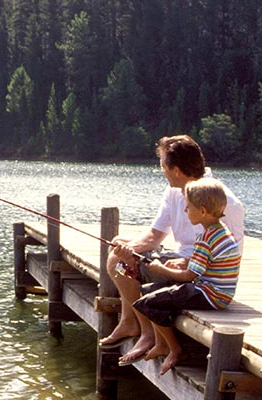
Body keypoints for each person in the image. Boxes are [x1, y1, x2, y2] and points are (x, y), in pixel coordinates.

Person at [96, 135, 244, 367]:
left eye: (163, 166)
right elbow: (155, 235)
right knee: (119, 247)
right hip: (183, 262)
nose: (162, 171)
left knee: (122, 263)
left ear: (175, 170)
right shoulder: (174, 191)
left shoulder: (225, 201)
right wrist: (129, 250)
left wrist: (181, 265)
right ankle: (130, 322)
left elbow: (231, 255)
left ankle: (148, 334)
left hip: (199, 275)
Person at [131, 178, 241, 375]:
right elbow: (202, 264)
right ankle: (161, 343)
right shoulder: (220, 231)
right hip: (213, 289)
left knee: (147, 303)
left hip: (210, 294)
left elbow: (189, 276)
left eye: (188, 207)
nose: (185, 211)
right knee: (146, 290)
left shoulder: (206, 238)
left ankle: (174, 349)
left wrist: (161, 268)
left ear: (203, 211)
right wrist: (180, 262)